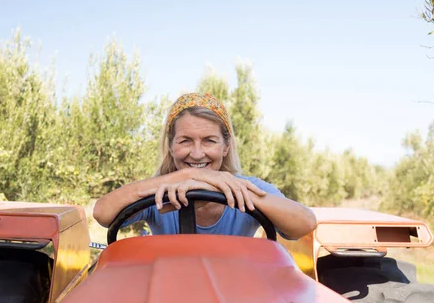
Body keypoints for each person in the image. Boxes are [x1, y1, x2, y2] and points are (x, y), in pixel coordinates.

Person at [93, 92, 317, 239]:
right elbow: (102, 214)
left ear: (225, 147)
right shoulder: (160, 190)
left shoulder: (247, 186)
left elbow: (305, 223)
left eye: (209, 141)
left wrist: (223, 188)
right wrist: (187, 175)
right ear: (171, 146)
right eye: (185, 141)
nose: (197, 153)